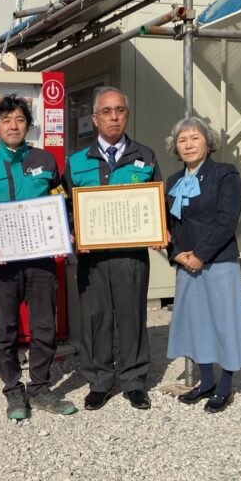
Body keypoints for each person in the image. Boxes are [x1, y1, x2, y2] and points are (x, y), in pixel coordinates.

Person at [0, 94, 77, 420]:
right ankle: (13, 391)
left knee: (44, 328)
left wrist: (65, 231)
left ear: (28, 125)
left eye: (19, 120)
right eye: (6, 121)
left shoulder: (46, 161)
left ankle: (40, 388)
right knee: (6, 331)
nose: (13, 126)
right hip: (3, 265)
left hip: (41, 261)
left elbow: (61, 200)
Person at [62, 86, 161, 411]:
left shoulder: (146, 157)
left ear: (127, 115)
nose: (114, 116)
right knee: (95, 318)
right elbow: (64, 206)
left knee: (133, 316)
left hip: (132, 256)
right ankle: (100, 381)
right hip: (92, 258)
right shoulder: (76, 162)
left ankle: (134, 381)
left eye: (120, 110)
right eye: (106, 111)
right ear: (95, 118)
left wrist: (159, 230)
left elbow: (157, 202)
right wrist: (72, 233)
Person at [165, 117, 241, 413]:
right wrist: (176, 253)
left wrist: (200, 254)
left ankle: (225, 385)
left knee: (223, 323)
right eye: (182, 140)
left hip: (218, 261)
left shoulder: (225, 173)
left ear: (208, 142)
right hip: (185, 264)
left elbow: (227, 220)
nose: (188, 144)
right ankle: (206, 381)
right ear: (176, 147)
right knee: (197, 323)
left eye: (195, 138)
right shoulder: (173, 182)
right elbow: (168, 226)